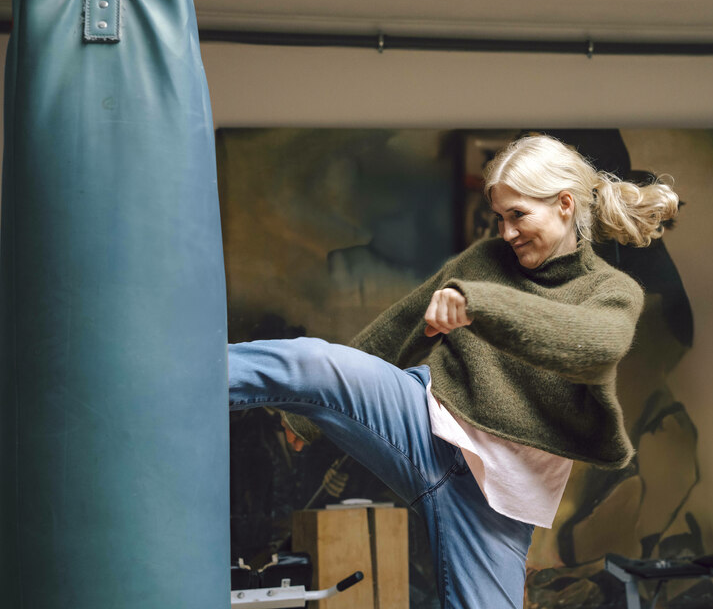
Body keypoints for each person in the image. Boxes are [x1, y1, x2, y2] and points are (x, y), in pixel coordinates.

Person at [228, 134, 679, 608]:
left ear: (565, 204)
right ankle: (175, 380)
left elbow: (594, 346)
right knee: (311, 361)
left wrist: (479, 304)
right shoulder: (485, 261)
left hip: (497, 503)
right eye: (500, 218)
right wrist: (305, 413)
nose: (506, 232)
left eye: (518, 215)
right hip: (424, 424)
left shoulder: (610, 290)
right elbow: (396, 330)